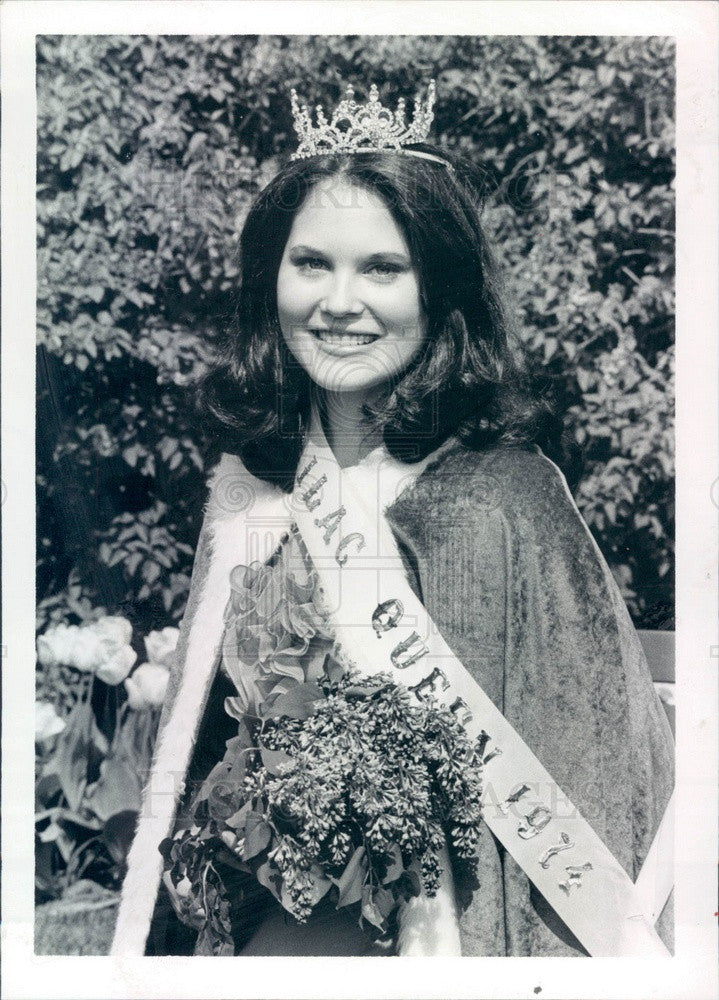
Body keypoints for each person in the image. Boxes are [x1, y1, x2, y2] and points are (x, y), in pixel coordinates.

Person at [111, 81, 674, 958]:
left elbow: (597, 779)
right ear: (271, 278)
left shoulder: (507, 498)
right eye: (311, 265)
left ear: (438, 287)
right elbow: (202, 760)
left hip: (459, 938)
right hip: (280, 927)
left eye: (382, 268)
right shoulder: (243, 498)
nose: (340, 303)